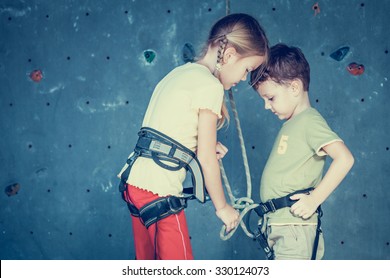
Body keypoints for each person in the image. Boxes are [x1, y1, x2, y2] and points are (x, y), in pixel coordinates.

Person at [117, 13, 269, 260]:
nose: (243, 78)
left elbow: (169, 129)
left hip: (135, 182)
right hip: (159, 189)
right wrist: (223, 208)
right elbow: (207, 159)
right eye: (246, 69)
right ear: (229, 55)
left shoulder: (179, 73)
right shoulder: (210, 86)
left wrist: (199, 146)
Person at [250, 43, 354, 259]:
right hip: (281, 225)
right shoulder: (293, 123)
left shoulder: (309, 121)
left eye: (270, 98)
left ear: (295, 88)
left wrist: (314, 199)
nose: (266, 106)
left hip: (294, 228)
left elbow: (344, 158)